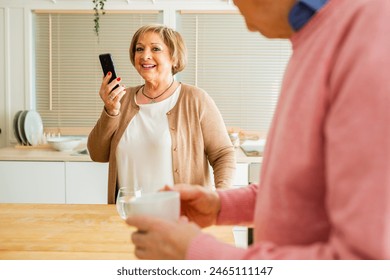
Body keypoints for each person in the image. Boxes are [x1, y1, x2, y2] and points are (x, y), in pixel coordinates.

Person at [126, 0, 390, 259]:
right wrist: (221, 205)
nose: (231, 3)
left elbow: (365, 263)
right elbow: (304, 188)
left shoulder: (370, 32)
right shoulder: (311, 39)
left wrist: (198, 254)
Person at [88, 24, 236, 204]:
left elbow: (223, 154)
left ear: (174, 58)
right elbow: (97, 154)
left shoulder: (195, 99)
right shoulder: (123, 100)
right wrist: (110, 111)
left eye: (155, 48)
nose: (144, 55)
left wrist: (220, 198)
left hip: (181, 218)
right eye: (139, 49)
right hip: (128, 216)